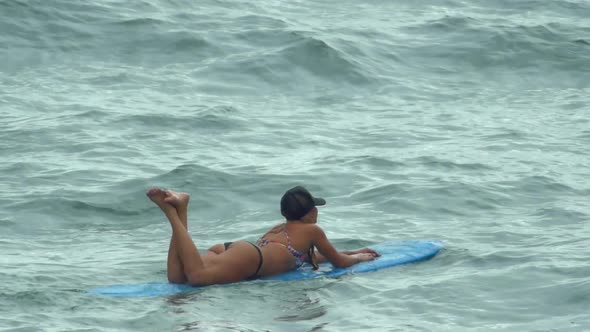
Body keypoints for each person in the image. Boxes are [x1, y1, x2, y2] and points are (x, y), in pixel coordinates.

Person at [147, 186, 380, 286]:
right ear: (312, 212)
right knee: (197, 277)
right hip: (250, 259)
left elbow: (318, 258)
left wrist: (356, 251)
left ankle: (179, 208)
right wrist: (359, 259)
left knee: (178, 279)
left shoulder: (281, 229)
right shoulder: (312, 231)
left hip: (238, 252)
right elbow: (339, 263)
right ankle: (173, 210)